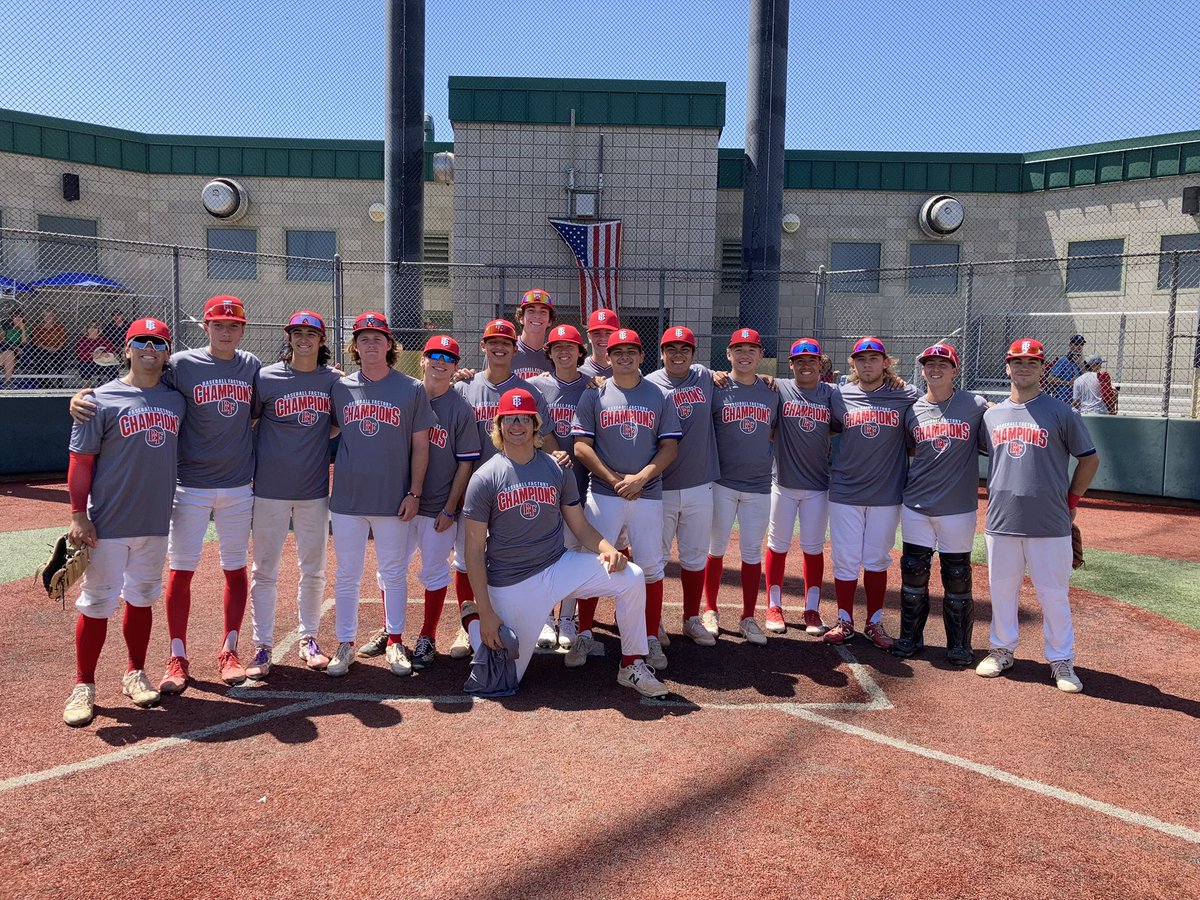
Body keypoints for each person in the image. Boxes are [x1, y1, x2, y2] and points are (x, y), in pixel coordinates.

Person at [73, 294, 262, 692]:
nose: (225, 331)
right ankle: (177, 656)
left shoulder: (252, 366)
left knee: (234, 566)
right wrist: (79, 399)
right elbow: (135, 387)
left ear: (243, 330)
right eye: (217, 324)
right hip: (189, 486)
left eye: (233, 325)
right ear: (205, 327)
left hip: (238, 485)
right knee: (181, 569)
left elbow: (260, 412)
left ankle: (229, 649)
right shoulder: (180, 365)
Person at [462, 388, 668, 698]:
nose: (516, 426)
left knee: (632, 577)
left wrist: (608, 549)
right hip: (512, 584)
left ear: (536, 425)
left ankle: (632, 664)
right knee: (501, 683)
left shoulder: (556, 468)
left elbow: (581, 527)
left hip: (557, 565)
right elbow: (474, 550)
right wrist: (489, 614)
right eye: (509, 419)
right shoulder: (484, 477)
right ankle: (475, 620)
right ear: (499, 425)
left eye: (524, 419)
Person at [61, 317, 187, 726]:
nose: (150, 348)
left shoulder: (176, 400)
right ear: (127, 348)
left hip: (155, 522)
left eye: (158, 342)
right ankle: (84, 684)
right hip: (108, 523)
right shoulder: (99, 399)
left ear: (167, 353)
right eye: (141, 341)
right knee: (97, 603)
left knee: (142, 598)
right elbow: (80, 461)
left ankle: (135, 672)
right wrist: (79, 515)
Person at [977, 338, 1099, 693]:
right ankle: (1001, 649)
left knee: (1053, 594)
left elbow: (1089, 459)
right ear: (1007, 367)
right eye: (1018, 361)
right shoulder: (991, 415)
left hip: (1050, 521)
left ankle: (1061, 659)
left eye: (1032, 362)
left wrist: (1072, 499)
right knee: (1001, 591)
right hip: (1001, 519)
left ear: (1043, 367)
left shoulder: (1062, 413)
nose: (1024, 367)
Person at [358, 335, 482, 667]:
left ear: (455, 367)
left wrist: (450, 507)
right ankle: (390, 628)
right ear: (423, 360)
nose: (440, 362)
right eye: (434, 355)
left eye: (448, 357)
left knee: (434, 572)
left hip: (437, 506)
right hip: (397, 504)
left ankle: (427, 635)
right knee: (389, 570)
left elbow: (466, 462)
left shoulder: (459, 409)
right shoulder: (404, 394)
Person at [325, 311, 435, 678]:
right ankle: (345, 643)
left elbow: (421, 447)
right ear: (354, 346)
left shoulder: (411, 388)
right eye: (364, 338)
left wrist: (414, 492)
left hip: (393, 498)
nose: (371, 344)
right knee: (347, 574)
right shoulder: (340, 388)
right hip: (348, 499)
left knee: (393, 573)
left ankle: (395, 641)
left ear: (390, 344)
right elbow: (328, 432)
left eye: (378, 338)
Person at [571, 327, 681, 671]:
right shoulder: (594, 395)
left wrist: (642, 477)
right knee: (595, 561)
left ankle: (649, 636)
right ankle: (585, 631)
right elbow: (580, 446)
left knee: (650, 566)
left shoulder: (659, 395)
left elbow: (670, 446)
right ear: (607, 358)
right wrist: (615, 479)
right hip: (605, 492)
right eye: (617, 352)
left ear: (642, 356)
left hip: (648, 493)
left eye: (631, 351)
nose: (624, 357)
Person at [449, 319, 559, 655]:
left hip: (518, 490)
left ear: (515, 349)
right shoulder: (464, 387)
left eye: (506, 343)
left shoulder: (529, 392)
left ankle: (542, 618)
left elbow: (547, 438)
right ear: (483, 346)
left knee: (527, 554)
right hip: (474, 490)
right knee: (467, 560)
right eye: (493, 342)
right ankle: (469, 622)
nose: (499, 348)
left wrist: (557, 463)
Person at [243, 311, 341, 679]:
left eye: (310, 334)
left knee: (312, 569)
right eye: (297, 333)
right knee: (264, 569)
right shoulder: (266, 377)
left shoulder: (333, 381)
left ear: (321, 339)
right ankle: (262, 645)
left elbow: (334, 426)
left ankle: (309, 638)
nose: (303, 339)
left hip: (313, 489)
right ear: (289, 338)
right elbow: (247, 422)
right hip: (268, 489)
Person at [891, 343, 988, 665]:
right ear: (922, 369)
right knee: (913, 572)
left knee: (957, 574)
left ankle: (959, 645)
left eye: (943, 365)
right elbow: (911, 451)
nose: (935, 369)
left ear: (954, 370)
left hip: (957, 507)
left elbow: (992, 442)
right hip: (917, 504)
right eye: (929, 364)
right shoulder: (913, 410)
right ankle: (910, 638)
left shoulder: (974, 405)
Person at [825, 336, 921, 648]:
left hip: (886, 491)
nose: (867, 364)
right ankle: (844, 620)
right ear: (852, 363)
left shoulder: (904, 393)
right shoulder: (839, 394)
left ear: (885, 363)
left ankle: (874, 622)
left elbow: (935, 401)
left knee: (877, 559)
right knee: (845, 559)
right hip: (845, 490)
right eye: (861, 359)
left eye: (874, 358)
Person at [703, 328, 780, 646]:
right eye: (739, 349)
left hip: (759, 485)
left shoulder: (773, 390)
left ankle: (749, 616)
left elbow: (775, 430)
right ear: (728, 354)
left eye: (752, 349)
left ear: (761, 356)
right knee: (715, 548)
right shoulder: (715, 386)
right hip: (722, 482)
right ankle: (709, 610)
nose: (745, 354)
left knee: (751, 552)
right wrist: (711, 373)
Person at [645, 326, 721, 646]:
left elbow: (739, 381)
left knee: (693, 556)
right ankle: (654, 620)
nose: (678, 354)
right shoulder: (648, 384)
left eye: (684, 349)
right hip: (659, 487)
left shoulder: (704, 376)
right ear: (661, 353)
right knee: (656, 558)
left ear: (693, 354)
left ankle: (691, 618)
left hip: (699, 484)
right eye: (671, 349)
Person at [763, 338, 837, 636]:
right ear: (790, 364)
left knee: (813, 548)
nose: (806, 365)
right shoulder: (778, 387)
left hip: (818, 485)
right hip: (783, 483)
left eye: (812, 360)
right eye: (800, 360)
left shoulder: (832, 394)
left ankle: (812, 608)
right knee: (777, 546)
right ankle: (773, 605)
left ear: (821, 364)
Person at [528, 324, 591, 650]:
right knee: (542, 552)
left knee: (574, 552)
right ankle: (543, 617)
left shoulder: (593, 386)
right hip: (540, 484)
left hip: (580, 482)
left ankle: (567, 616)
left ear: (580, 352)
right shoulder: (535, 387)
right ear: (549, 353)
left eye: (570, 347)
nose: (564, 352)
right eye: (557, 347)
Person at [510, 288, 556, 380]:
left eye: (543, 312)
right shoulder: (506, 350)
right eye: (531, 311)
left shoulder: (555, 355)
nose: (537, 316)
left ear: (550, 321)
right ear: (521, 318)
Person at [578, 308, 620, 379]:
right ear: (589, 337)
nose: (603, 338)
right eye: (596, 333)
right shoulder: (579, 371)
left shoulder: (626, 369)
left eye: (608, 333)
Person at [1044, 334, 1086, 403]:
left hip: (1077, 401)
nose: (1079, 347)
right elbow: (1050, 379)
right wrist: (1068, 383)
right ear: (1070, 345)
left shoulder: (1081, 363)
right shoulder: (1063, 361)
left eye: (1081, 344)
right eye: (1076, 344)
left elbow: (1087, 380)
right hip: (1063, 399)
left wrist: (1080, 365)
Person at [75, 321, 117, 387]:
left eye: (95, 327)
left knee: (113, 370)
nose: (92, 329)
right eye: (90, 327)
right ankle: (88, 389)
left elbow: (111, 350)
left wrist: (98, 354)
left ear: (98, 329)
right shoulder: (83, 340)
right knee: (85, 369)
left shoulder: (103, 340)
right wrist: (97, 355)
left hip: (102, 363)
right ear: (86, 329)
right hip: (89, 363)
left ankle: (112, 388)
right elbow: (81, 354)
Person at [30, 308, 68, 374]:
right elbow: (35, 341)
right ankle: (43, 380)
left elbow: (63, 340)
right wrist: (47, 348)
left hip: (57, 349)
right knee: (40, 357)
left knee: (61, 357)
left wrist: (57, 348)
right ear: (42, 317)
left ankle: (59, 378)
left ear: (53, 317)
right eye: (45, 316)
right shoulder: (37, 327)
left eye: (50, 315)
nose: (48, 318)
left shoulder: (59, 326)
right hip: (42, 349)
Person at [1, 311, 29, 385]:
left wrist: (22, 328)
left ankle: (7, 383)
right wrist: (14, 348)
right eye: (15, 316)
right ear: (11, 318)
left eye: (20, 316)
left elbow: (24, 343)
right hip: (7, 346)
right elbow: (2, 340)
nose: (18, 318)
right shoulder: (6, 326)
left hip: (20, 346)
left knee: (25, 348)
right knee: (9, 350)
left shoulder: (26, 329)